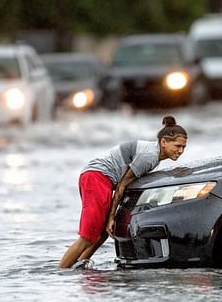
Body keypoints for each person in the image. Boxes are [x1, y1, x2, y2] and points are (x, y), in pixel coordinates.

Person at [58, 115, 188, 268]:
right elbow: (122, 185)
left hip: (99, 179)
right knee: (87, 237)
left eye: (183, 147)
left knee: (103, 234)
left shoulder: (155, 157)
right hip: (96, 178)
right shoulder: (149, 156)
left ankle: (78, 266)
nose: (180, 151)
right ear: (164, 142)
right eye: (177, 146)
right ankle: (61, 273)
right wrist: (112, 216)